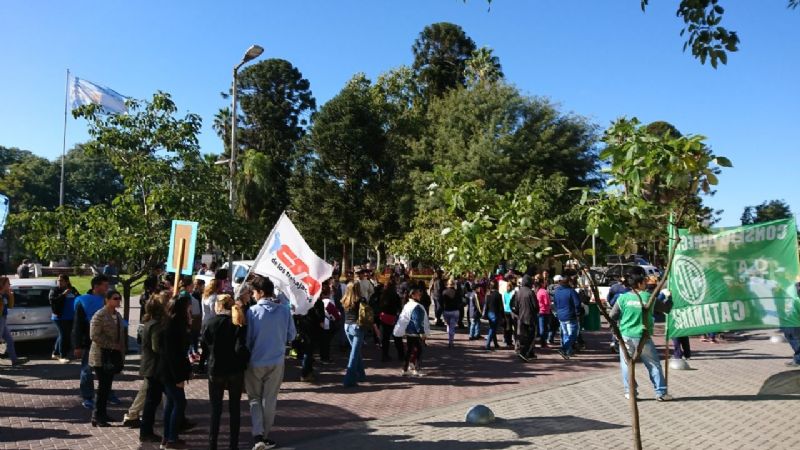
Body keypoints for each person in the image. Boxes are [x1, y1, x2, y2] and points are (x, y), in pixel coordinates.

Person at [245, 276, 296, 450]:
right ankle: (264, 435)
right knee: (269, 399)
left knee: (254, 399)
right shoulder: (284, 311)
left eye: (253, 292)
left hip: (255, 361)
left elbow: (248, 339)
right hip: (276, 360)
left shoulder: (252, 312)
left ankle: (258, 434)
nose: (252, 295)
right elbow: (292, 335)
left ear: (260, 292)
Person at [610, 268, 673, 401]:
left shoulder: (623, 298)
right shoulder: (648, 297)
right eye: (644, 281)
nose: (646, 283)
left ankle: (630, 392)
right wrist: (669, 297)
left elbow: (612, 316)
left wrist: (616, 332)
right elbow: (666, 309)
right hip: (643, 337)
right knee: (653, 364)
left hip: (626, 336)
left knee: (627, 365)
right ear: (639, 284)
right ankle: (661, 393)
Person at [203, 294, 248, 450]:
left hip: (216, 369)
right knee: (235, 409)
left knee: (216, 409)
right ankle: (233, 445)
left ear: (219, 306)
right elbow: (242, 345)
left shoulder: (210, 323)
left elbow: (206, 344)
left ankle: (212, 444)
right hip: (235, 369)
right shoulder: (238, 323)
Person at [73, 275, 114, 409]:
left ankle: (108, 393)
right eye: (105, 285)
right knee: (87, 370)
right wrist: (77, 345)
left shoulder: (107, 300)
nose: (107, 288)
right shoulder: (83, 301)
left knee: (107, 369)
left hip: (106, 341)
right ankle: (87, 397)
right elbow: (77, 325)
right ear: (96, 286)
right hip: (88, 341)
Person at [159, 294, 193, 449]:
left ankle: (168, 437)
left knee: (172, 403)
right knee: (179, 402)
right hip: (172, 372)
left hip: (169, 370)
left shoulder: (171, 323)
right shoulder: (173, 327)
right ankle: (171, 438)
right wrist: (179, 377)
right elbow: (173, 355)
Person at [89, 290, 125, 427]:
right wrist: (112, 345)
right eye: (115, 298)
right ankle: (97, 416)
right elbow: (94, 336)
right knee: (103, 387)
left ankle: (102, 414)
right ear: (107, 300)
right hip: (100, 356)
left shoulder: (117, 315)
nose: (118, 301)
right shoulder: (99, 315)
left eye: (119, 298)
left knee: (107, 386)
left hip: (113, 356)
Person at [137, 298, 167, 443]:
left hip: (150, 366)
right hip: (154, 367)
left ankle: (146, 430)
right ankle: (146, 431)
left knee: (152, 400)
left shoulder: (149, 323)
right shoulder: (155, 325)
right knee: (151, 400)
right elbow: (156, 347)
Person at [394, 288, 431, 376]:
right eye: (418, 293)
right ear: (413, 295)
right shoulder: (417, 306)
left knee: (409, 351)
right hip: (415, 332)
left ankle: (405, 369)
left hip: (409, 331)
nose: (420, 295)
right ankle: (416, 369)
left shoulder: (408, 305)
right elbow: (417, 321)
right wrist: (421, 332)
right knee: (418, 351)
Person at [49, 274, 79, 363]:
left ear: (67, 281)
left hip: (70, 316)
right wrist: (63, 294)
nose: (59, 282)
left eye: (61, 280)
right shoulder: (54, 290)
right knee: (64, 335)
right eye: (58, 280)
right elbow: (53, 300)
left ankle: (55, 353)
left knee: (62, 335)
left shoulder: (72, 289)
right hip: (59, 317)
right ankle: (62, 356)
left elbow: (78, 298)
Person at [342, 281, 367, 388]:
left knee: (355, 351)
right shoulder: (361, 300)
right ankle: (349, 380)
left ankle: (361, 375)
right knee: (354, 353)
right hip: (357, 327)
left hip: (347, 326)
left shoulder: (344, 300)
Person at [553, 274, 582, 359]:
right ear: (568, 282)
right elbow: (577, 304)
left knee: (565, 334)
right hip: (570, 316)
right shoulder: (571, 291)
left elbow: (555, 303)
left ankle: (567, 351)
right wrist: (577, 313)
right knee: (573, 334)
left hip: (561, 315)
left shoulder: (557, 291)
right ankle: (564, 349)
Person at [0, 277, 27, 367]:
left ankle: (14, 360)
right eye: (8, 283)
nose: (10, 285)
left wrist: (11, 295)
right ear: (3, 284)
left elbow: (10, 306)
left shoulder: (5, 294)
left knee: (10, 340)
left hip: (3, 319)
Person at [378, 277, 405, 362]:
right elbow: (399, 307)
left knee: (385, 338)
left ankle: (384, 355)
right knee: (397, 337)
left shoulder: (382, 294)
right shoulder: (395, 295)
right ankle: (401, 355)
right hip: (392, 317)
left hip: (383, 317)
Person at [515, 275, 539, 362]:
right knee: (531, 337)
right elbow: (536, 306)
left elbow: (516, 307)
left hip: (521, 318)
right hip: (530, 318)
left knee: (523, 337)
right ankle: (524, 353)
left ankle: (530, 353)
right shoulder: (530, 292)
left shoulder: (518, 292)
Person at [199, 279, 221, 372]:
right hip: (211, 323)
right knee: (211, 346)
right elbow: (213, 311)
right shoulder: (214, 297)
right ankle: (208, 366)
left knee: (204, 346)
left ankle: (201, 366)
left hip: (204, 322)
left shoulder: (205, 296)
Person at [440, 279, 461, 348]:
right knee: (452, 326)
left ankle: (450, 339)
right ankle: (451, 341)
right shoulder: (457, 292)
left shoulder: (444, 292)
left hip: (446, 311)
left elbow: (441, 302)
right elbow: (460, 301)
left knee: (449, 325)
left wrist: (442, 309)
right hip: (455, 311)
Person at [483, 279, 503, 351]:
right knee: (492, 329)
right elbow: (501, 307)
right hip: (495, 313)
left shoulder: (488, 294)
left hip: (489, 313)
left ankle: (495, 344)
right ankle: (487, 345)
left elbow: (486, 305)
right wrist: (502, 316)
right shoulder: (498, 295)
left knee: (492, 328)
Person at [536, 280, 553, 348]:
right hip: (545, 311)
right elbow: (547, 302)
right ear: (542, 284)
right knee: (544, 328)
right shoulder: (544, 291)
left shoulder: (537, 292)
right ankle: (543, 343)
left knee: (540, 327)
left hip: (539, 311)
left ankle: (541, 342)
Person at [502, 278, 516, 349]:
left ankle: (506, 339)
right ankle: (509, 341)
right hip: (510, 311)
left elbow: (504, 302)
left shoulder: (504, 293)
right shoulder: (512, 293)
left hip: (505, 311)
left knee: (506, 326)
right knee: (510, 327)